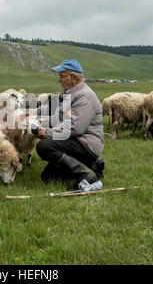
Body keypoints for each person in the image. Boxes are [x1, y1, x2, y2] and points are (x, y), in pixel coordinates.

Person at [33, 59, 104, 190]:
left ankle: (86, 174)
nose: (59, 80)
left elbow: (75, 128)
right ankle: (93, 166)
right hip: (75, 141)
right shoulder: (71, 94)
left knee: (44, 146)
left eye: (61, 76)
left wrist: (45, 133)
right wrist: (36, 120)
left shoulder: (84, 96)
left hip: (85, 144)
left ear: (74, 78)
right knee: (48, 178)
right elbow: (57, 119)